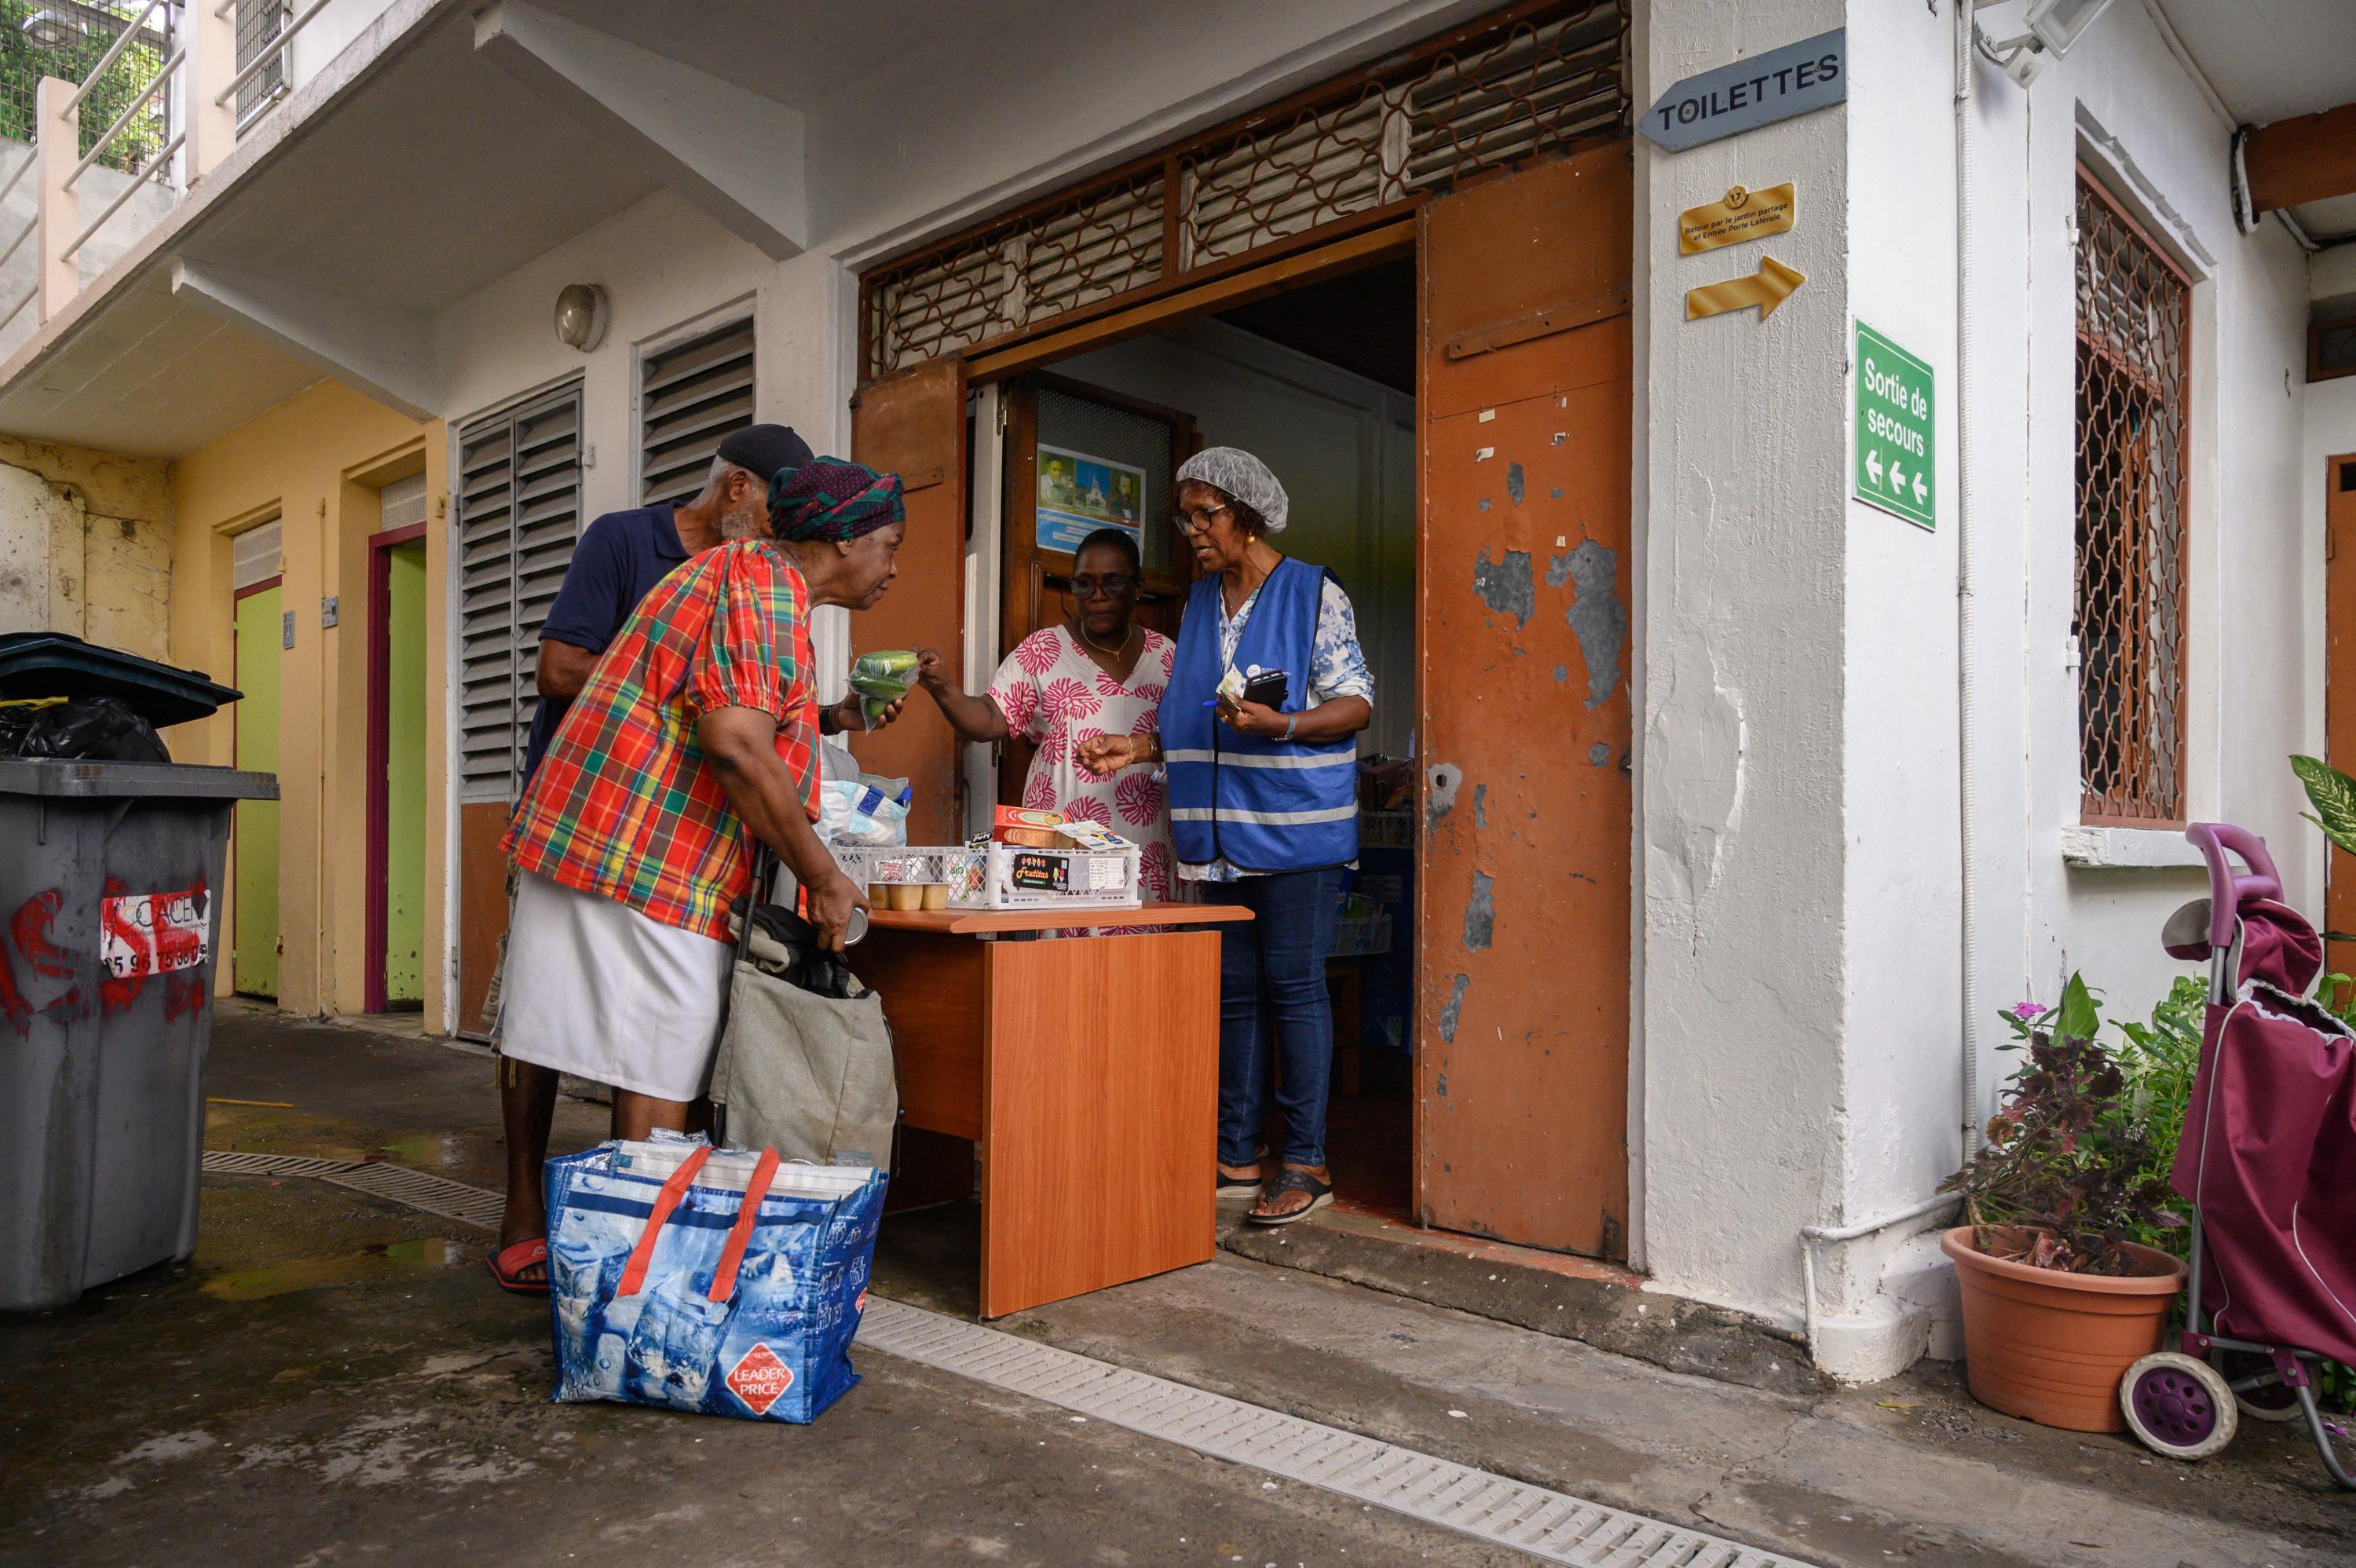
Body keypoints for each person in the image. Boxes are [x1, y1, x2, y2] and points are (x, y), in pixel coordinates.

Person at [485, 426, 900, 1292]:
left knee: (646, 1075)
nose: (893, 568)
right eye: (889, 546)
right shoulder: (763, 586)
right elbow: (737, 743)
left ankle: (622, 1279)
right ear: (842, 540)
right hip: (649, 856)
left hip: (604, 841)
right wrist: (824, 873)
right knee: (660, 1079)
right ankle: (634, 1296)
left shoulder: (736, 576)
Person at [1080, 448, 1373, 1226]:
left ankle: (1305, 1161)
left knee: (1295, 987)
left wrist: (1285, 724)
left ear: (1248, 512)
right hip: (1213, 832)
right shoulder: (1202, 601)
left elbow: (1355, 703)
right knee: (1235, 995)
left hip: (1294, 832)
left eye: (1205, 513)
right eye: (1187, 516)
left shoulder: (1315, 592)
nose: (1193, 531)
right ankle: (1236, 1154)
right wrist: (1135, 748)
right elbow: (1195, 713)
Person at [913, 528, 1176, 899]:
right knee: (1064, 953)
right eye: (1084, 585)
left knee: (1141, 952)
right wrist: (943, 688)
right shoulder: (1043, 651)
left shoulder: (1167, 657)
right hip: (1062, 844)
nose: (1097, 596)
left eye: (1112, 584)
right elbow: (989, 718)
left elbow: (1190, 740)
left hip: (1146, 843)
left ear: (1138, 587)